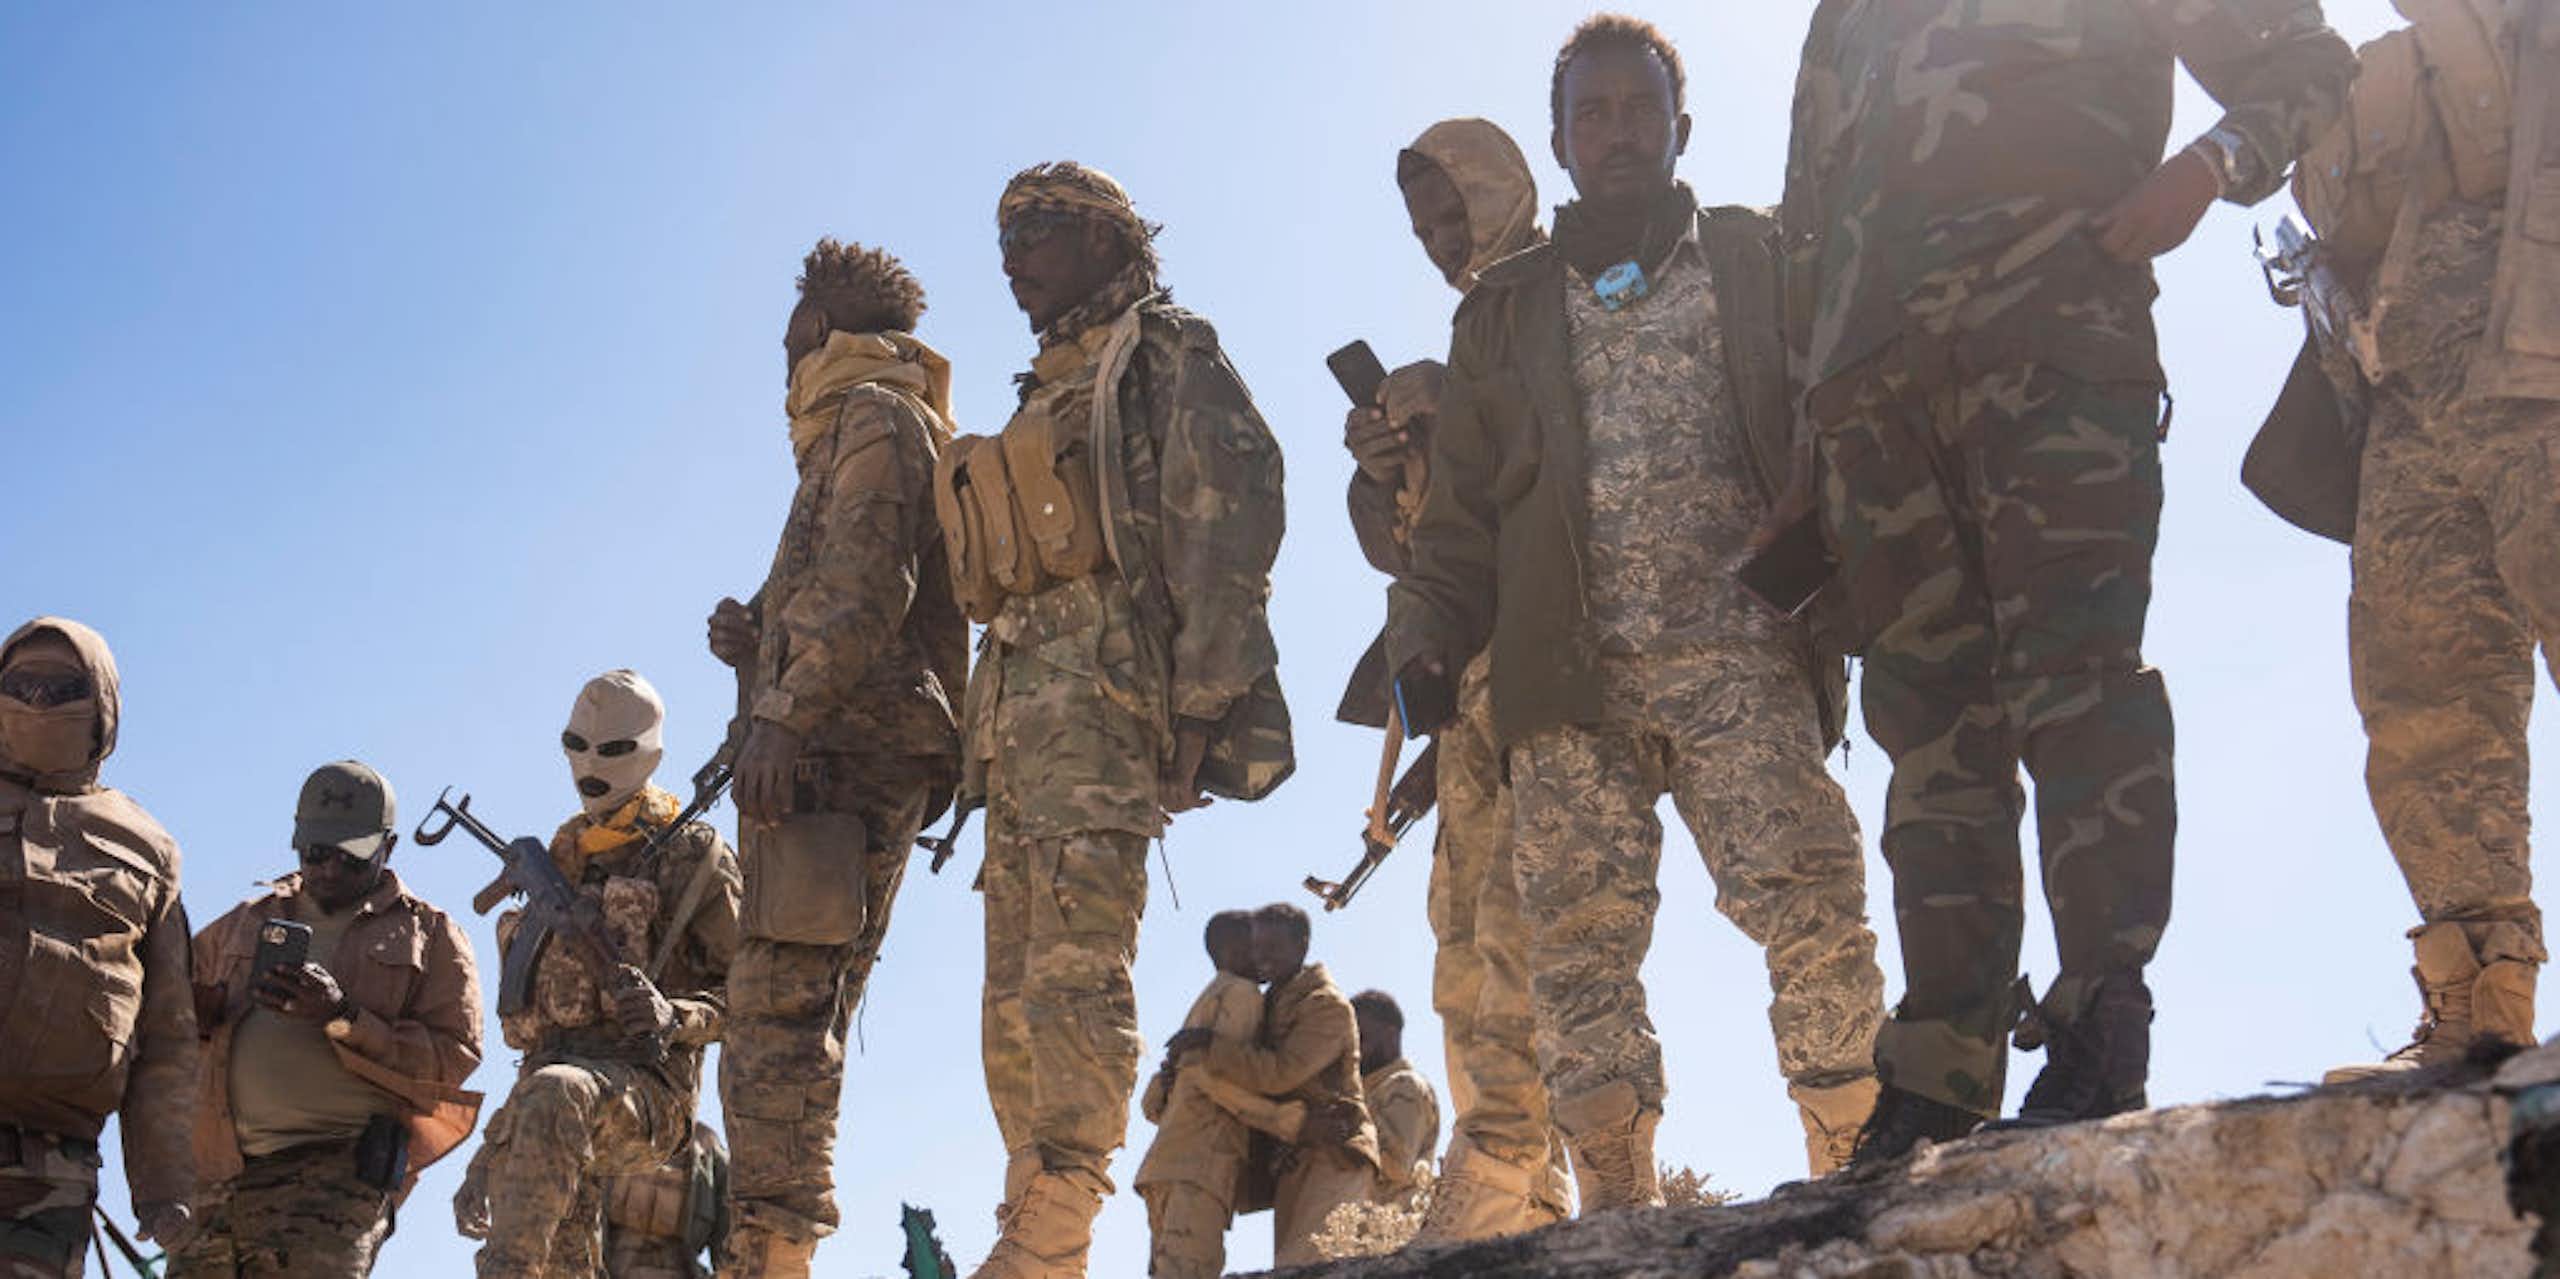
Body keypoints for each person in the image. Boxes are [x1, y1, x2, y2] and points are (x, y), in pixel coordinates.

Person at [1776, 0, 2352, 1159]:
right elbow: (1808, 226)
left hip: (2052, 341)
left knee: (2076, 681)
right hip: (1871, 407)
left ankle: (2097, 1024)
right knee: (1929, 731)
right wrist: (1805, 444)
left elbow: (2310, 62)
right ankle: (1939, 1069)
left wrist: (2206, 167)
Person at [1385, 15, 1888, 1207]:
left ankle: (1853, 1163)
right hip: (1567, 680)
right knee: (1578, 947)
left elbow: (1841, 405)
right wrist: (1425, 641)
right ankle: (1617, 1201)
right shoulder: (1502, 309)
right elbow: (1458, 515)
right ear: (1559, 143)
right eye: (1591, 114)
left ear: (1681, 127)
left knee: (1812, 899)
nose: (1617, 132)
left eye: (1638, 108)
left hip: (1743, 654)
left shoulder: (1757, 255)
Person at [951, 161, 1292, 1278]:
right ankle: (1031, 1211)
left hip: (1105, 709)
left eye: (1036, 232)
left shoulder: (1161, 351)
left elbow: (1226, 522)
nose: (1014, 260)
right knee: (1012, 992)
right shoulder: (1049, 384)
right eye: (1004, 239)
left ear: (1106, 237)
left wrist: (1197, 710)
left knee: (1076, 972)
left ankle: (1059, 1215)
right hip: (1020, 725)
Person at [2240, 0, 2560, 1080]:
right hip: (2398, 383)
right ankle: (2478, 1007)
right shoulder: (2343, 70)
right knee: (2423, 692)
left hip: (2534, 344)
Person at [705, 236, 966, 1277]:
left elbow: (865, 584)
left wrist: (783, 712)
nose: (781, 355)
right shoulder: (869, 419)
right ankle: (773, 1246)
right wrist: (756, 644)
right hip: (838, 745)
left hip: (842, 753)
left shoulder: (874, 415)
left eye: (789, 334)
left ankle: (771, 1253)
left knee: (779, 1014)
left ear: (816, 326)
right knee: (790, 1006)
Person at [1334, 116, 1572, 1240]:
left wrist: (1460, 406)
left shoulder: (1570, 290)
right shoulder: (1471, 331)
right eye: (1423, 229)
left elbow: (1582, 466)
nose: (1440, 242)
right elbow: (1430, 554)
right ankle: (1517, 1188)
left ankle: (1529, 1164)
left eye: (1452, 215)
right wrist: (1394, 472)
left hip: (1562, 672)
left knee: (1535, 936)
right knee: (1466, 945)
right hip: (1475, 695)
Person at [459, 670, 740, 1277]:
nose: (590, 763)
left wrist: (674, 1016)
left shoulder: (694, 854)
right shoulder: (562, 856)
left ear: (651, 755)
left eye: (612, 749)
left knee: (557, 1093)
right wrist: (493, 1148)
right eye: (576, 745)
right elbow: (544, 1051)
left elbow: (750, 998)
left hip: (649, 1093)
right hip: (553, 1104)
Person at [180, 760, 482, 1277]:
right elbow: (164, 1012)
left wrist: (343, 1016)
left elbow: (453, 1060)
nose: (331, 869)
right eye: (317, 853)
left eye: (352, 855)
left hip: (337, 1173)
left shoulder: (431, 934)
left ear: (388, 847)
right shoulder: (244, 920)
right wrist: (195, 1016)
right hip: (219, 1170)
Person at [0, 617, 198, 1277]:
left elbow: (167, 1034)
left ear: (102, 708)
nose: (37, 702)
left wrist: (164, 1182)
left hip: (50, 1171)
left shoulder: (148, 849)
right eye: (20, 686)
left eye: (62, 689)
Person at [1169, 904, 1377, 1267]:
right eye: (1257, 948)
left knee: (1315, 1263)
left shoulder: (1325, 1005)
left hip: (1335, 1151)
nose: (1262, 958)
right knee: (1292, 1266)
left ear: (1302, 945)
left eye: (1273, 948)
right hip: (1296, 1153)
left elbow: (1281, 1074)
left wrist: (1211, 1046)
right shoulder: (1272, 1003)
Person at [1135, 912, 1333, 1279]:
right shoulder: (1243, 994)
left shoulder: (1205, 1001)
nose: (1263, 954)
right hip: (1202, 1164)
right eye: (1255, 944)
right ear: (1232, 949)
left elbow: (1153, 1105)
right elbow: (1218, 1077)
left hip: (1165, 1167)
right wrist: (1286, 1120)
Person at [1349, 991, 1438, 1210]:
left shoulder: (1404, 1085)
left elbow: (1397, 1165)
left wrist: (1348, 1124)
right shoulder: (1366, 1093)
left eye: (1362, 1038)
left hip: (1390, 1224)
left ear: (1389, 1035)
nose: (1354, 1049)